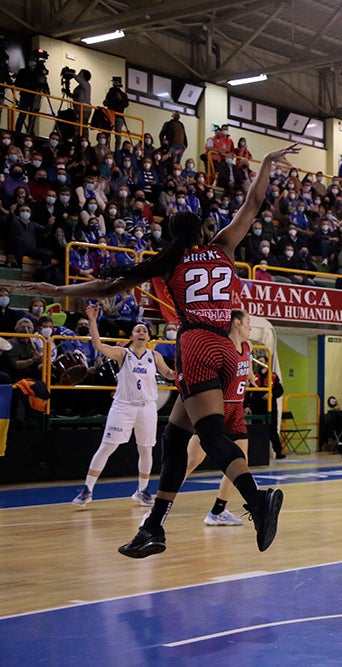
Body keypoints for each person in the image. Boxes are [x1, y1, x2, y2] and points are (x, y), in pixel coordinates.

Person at [22, 142, 300, 558]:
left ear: (173, 235)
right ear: (204, 232)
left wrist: (58, 290)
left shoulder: (168, 262)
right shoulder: (223, 246)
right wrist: (263, 163)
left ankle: (257, 500)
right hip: (227, 345)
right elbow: (254, 201)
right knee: (175, 439)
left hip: (197, 344)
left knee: (210, 434)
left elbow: (106, 286)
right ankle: (154, 527)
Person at [71, 303, 175, 509]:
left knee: (146, 449)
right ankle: (87, 489)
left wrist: (181, 373)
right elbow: (99, 346)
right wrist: (92, 321)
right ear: (132, 335)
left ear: (148, 337)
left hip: (146, 407)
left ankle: (143, 490)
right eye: (138, 330)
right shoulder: (123, 354)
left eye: (145, 330)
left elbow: (169, 374)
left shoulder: (155, 356)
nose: (142, 332)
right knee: (107, 447)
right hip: (123, 406)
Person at [184, 309, 254, 526]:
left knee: (240, 463)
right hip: (216, 409)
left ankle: (217, 511)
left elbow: (247, 370)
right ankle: (158, 506)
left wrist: (250, 375)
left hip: (236, 409)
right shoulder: (220, 348)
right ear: (236, 323)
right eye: (248, 322)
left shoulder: (247, 347)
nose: (251, 327)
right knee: (191, 460)